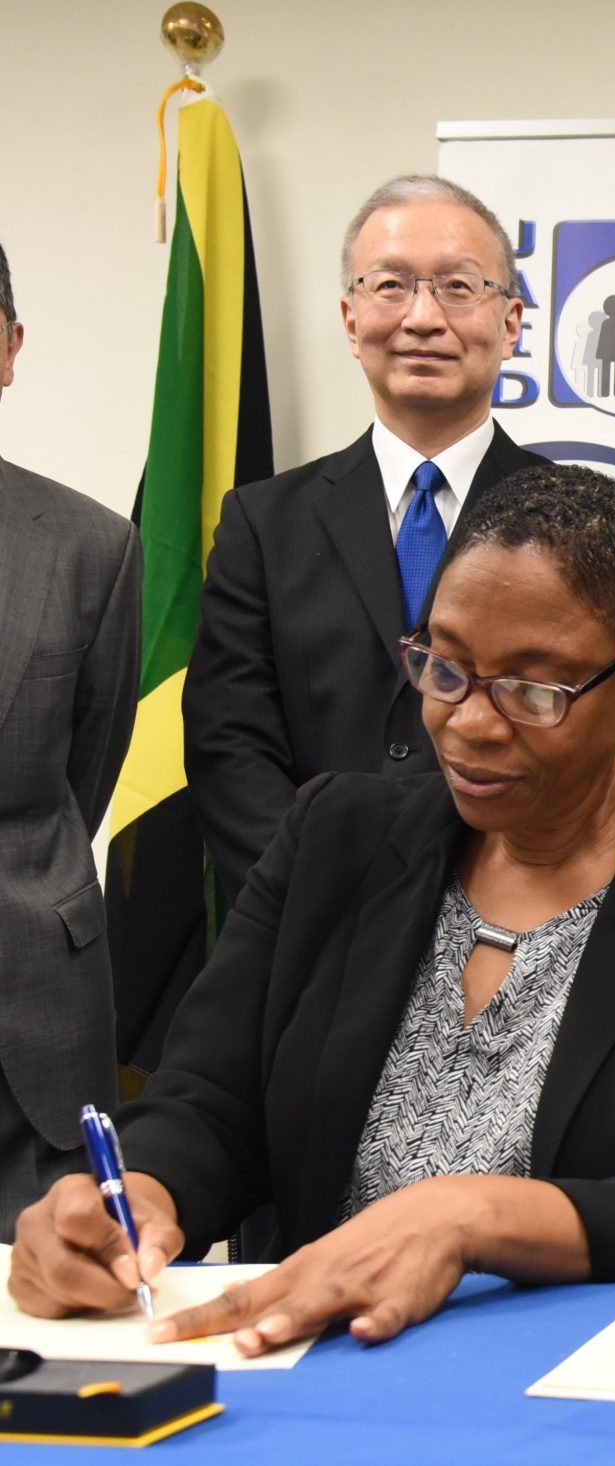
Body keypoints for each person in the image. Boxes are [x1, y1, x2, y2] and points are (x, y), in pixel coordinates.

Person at [8, 466, 615, 1356]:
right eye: (445, 667)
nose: (469, 723)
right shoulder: (338, 837)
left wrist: (471, 1214)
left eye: (534, 690)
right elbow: (212, 1103)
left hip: (588, 1377)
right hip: (315, 1361)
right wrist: (139, 1195)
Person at [185, 174, 552, 905]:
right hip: (308, 924)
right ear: (351, 321)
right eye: (391, 285)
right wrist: (319, 896)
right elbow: (230, 746)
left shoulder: (575, 518)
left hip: (518, 923)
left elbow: (590, 737)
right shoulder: (263, 523)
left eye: (457, 286)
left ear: (510, 323)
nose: (422, 317)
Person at [0, 242, 141, 1238]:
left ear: (9, 348)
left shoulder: (93, 546)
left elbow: (85, 773)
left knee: (45, 1329)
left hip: (33, 1026)